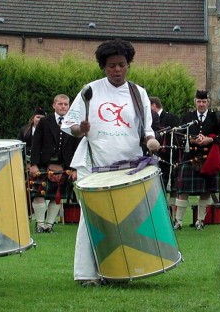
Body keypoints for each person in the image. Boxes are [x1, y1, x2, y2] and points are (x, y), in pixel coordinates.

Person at [61, 38, 158, 287]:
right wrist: (79, 129)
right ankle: (86, 274)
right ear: (103, 66)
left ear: (128, 65)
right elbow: (68, 124)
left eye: (122, 65)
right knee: (91, 217)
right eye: (112, 65)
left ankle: (119, 271)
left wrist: (151, 142)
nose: (117, 70)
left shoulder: (139, 93)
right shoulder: (90, 90)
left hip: (128, 164)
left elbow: (146, 130)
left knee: (125, 219)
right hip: (93, 162)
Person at [173, 90, 220, 230]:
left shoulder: (216, 116)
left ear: (208, 102)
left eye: (204, 102)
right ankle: (178, 221)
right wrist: (191, 139)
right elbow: (179, 135)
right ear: (195, 102)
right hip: (190, 159)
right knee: (183, 191)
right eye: (199, 101)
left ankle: (200, 221)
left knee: (207, 191)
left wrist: (210, 139)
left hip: (208, 159)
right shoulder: (187, 116)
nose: (201, 104)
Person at [28, 94, 80, 233]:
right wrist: (33, 164)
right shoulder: (45, 121)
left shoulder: (73, 124)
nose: (63, 106)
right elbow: (36, 143)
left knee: (57, 197)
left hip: (64, 166)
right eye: (60, 104)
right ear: (54, 105)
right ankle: (39, 224)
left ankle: (49, 225)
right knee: (39, 194)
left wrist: (74, 168)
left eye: (66, 104)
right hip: (44, 164)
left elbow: (77, 148)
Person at [149, 96, 180, 199]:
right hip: (156, 157)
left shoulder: (171, 117)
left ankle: (171, 211)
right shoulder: (150, 119)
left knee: (171, 187)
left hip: (169, 158)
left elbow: (177, 138)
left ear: (153, 105)